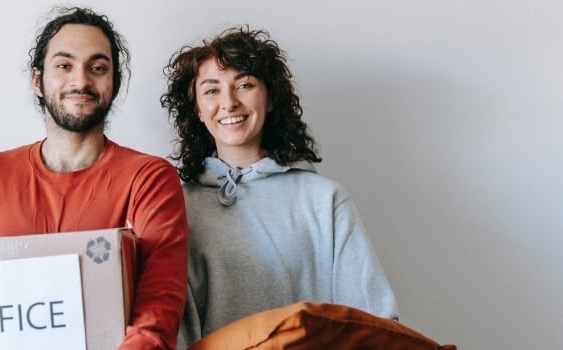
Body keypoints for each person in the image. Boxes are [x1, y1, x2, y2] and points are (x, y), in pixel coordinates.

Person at [0, 7, 188, 349]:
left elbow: (158, 310)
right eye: (64, 65)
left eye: (98, 68)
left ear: (114, 83)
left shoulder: (148, 178)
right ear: (37, 79)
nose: (81, 80)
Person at [160, 26, 399, 348]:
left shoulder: (324, 200)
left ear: (270, 98)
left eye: (244, 85)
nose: (229, 102)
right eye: (211, 90)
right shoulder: (175, 207)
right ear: (197, 110)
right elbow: (172, 327)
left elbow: (375, 323)